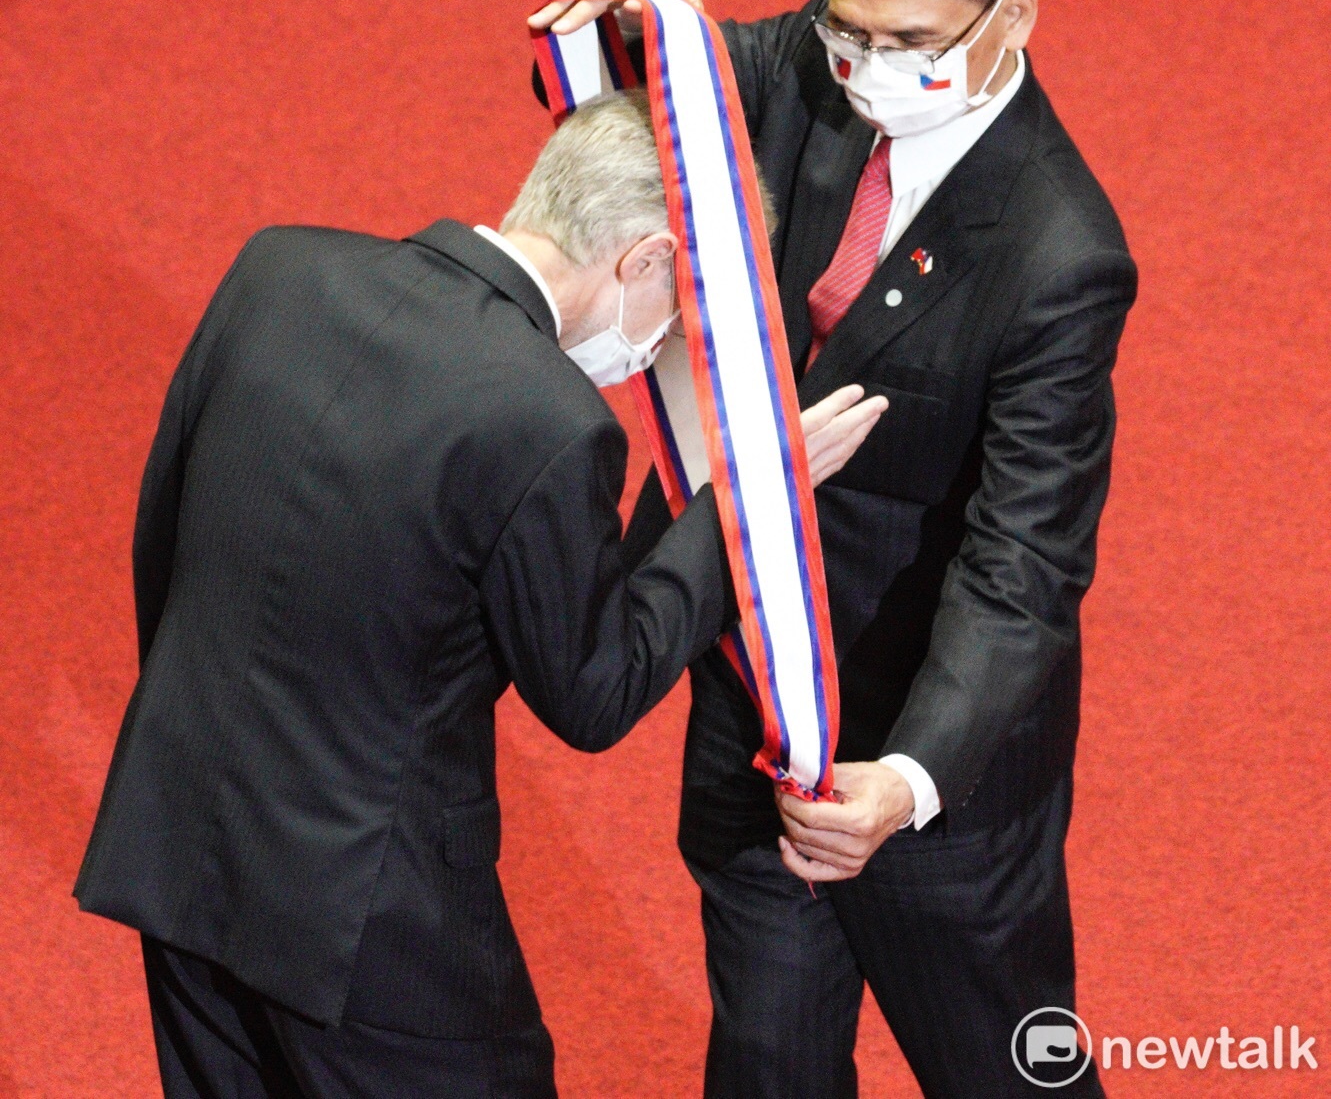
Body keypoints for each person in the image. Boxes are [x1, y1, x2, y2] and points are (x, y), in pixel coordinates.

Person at [73, 89, 885, 1099]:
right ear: (643, 257)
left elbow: (165, 538)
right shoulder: (543, 416)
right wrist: (740, 508)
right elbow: (592, 690)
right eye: (681, 309)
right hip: (370, 924)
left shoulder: (274, 268)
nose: (668, 342)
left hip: (175, 841)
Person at [531, 0, 1137, 1097]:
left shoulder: (1059, 253)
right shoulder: (823, 64)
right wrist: (652, 6)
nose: (862, 70)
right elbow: (699, 73)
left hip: (926, 780)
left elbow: (1021, 565)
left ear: (1008, 10)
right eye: (842, 25)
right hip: (753, 710)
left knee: (1001, 1070)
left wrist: (905, 780)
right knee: (764, 1063)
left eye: (905, 39)